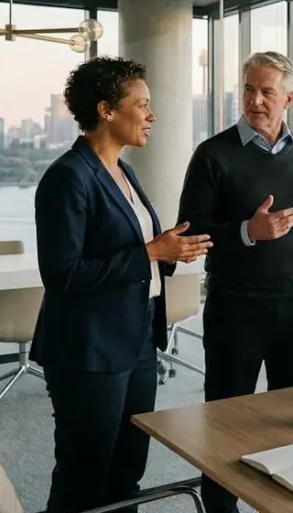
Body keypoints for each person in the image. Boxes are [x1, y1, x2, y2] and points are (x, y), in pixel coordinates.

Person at [31, 56, 212, 513]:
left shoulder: (124, 171)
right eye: (142, 104)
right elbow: (63, 274)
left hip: (136, 342)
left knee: (127, 470)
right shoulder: (67, 177)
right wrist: (151, 252)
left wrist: (169, 252)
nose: (152, 115)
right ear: (107, 110)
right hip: (88, 350)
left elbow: (134, 252)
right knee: (83, 473)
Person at [177, 51, 293, 513]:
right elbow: (190, 231)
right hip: (235, 309)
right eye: (248, 89)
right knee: (224, 424)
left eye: (267, 91)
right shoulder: (213, 154)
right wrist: (249, 231)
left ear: (290, 97)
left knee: (291, 424)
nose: (256, 100)